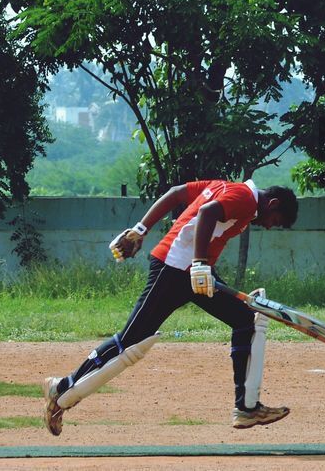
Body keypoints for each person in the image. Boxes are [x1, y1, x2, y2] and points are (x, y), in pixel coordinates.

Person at [42, 179, 299, 436]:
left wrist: (140, 230)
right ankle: (62, 388)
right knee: (130, 339)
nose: (268, 225)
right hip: (174, 269)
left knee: (245, 320)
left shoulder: (228, 187)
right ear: (273, 204)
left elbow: (177, 194)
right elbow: (206, 213)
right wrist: (199, 261)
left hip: (195, 273)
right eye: (274, 220)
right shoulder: (244, 198)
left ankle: (246, 408)